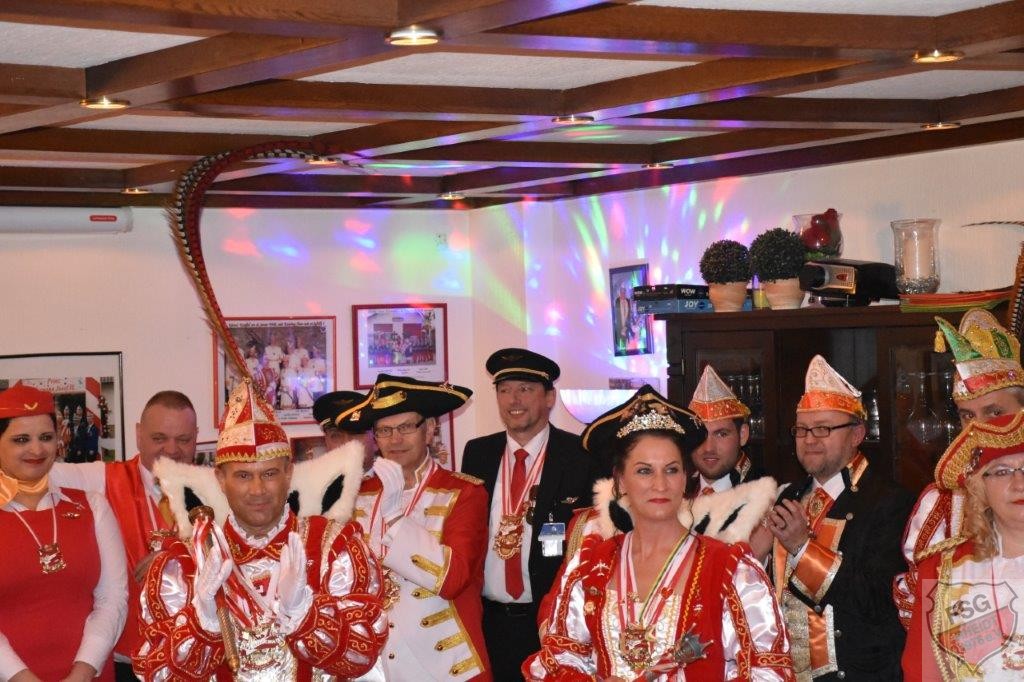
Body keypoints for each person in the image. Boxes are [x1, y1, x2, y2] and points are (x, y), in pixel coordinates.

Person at [524, 385, 794, 680]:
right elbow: (559, 658)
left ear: (686, 476)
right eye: (644, 471)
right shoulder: (591, 565)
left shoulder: (731, 569)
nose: (660, 485)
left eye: (671, 469)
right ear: (620, 480)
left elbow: (769, 671)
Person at [134, 379, 388, 680]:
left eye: (269, 474)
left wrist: (306, 613)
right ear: (220, 479)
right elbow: (158, 673)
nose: (257, 490)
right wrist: (202, 621)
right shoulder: (187, 560)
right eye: (243, 475)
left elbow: (362, 655)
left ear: (288, 473)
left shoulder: (333, 545)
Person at [767, 355, 914, 680]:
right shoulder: (790, 496)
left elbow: (880, 601)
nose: (809, 439)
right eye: (802, 429)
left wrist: (803, 549)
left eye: (823, 428)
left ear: (857, 434)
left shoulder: (890, 501)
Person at [461, 348, 602, 681]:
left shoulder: (581, 456)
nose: (514, 400)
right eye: (505, 390)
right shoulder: (477, 453)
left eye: (525, 389)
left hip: (551, 623)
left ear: (549, 397)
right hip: (489, 622)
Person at [343, 374, 492, 680]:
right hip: (374, 665)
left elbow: (452, 579)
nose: (395, 439)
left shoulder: (464, 492)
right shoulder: (357, 494)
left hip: (444, 666)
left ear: (430, 429)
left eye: (406, 427)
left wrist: (396, 520)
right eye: (385, 430)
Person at [49, 390, 198, 680]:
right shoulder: (101, 478)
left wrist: (180, 554)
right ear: (139, 434)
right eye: (159, 438)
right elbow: (30, 469)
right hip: (125, 664)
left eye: (183, 439)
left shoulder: (216, 489)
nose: (172, 449)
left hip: (195, 662)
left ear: (196, 437)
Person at [894, 309, 1024, 628]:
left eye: (994, 412)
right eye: (968, 416)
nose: (978, 428)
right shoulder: (941, 501)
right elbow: (917, 610)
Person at [0, 383, 128, 681]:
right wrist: (21, 677)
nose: (37, 449)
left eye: (46, 437)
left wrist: (82, 672)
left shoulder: (92, 506)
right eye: (21, 439)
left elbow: (113, 598)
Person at [903, 411, 1024, 679]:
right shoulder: (939, 569)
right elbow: (922, 673)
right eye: (1002, 471)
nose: (1019, 483)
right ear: (981, 488)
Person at [687, 363, 765, 496]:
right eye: (700, 435)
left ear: (743, 435)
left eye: (721, 434)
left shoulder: (766, 497)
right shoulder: (676, 492)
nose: (709, 448)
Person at [312, 389, 376, 471]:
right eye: (336, 436)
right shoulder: (313, 479)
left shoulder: (390, 478)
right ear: (326, 442)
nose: (346, 443)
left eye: (356, 433)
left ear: (375, 440)